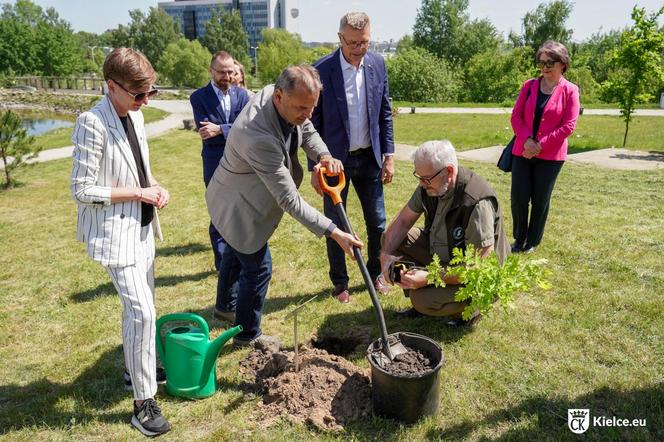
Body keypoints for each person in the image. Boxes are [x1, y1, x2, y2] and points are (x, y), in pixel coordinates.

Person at [205, 65, 363, 347]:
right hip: (237, 202)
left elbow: (307, 129)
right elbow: (289, 200)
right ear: (279, 96)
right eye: (302, 108)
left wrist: (324, 156)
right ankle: (247, 335)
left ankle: (225, 307)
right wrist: (334, 232)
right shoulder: (257, 136)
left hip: (237, 192)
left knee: (235, 250)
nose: (308, 115)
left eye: (311, 107)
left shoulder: (285, 99)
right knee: (258, 266)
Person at [70, 47, 171, 436]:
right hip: (115, 235)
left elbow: (140, 171)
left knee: (139, 312)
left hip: (143, 230)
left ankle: (135, 370)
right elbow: (81, 189)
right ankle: (143, 405)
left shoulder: (137, 115)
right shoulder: (91, 123)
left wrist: (155, 187)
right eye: (138, 94)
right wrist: (137, 193)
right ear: (111, 86)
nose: (145, 101)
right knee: (144, 315)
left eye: (151, 93)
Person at [310, 11, 395, 303]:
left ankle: (376, 274)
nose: (360, 49)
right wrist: (315, 165)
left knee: (378, 222)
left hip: (370, 159)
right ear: (340, 38)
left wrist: (389, 155)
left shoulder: (378, 64)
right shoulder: (321, 70)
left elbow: (385, 112)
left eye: (365, 42)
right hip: (334, 163)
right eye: (353, 43)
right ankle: (341, 282)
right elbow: (312, 125)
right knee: (335, 225)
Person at [379, 140, 510, 323]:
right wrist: (385, 255)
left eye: (426, 179)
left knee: (422, 300)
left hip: (478, 276)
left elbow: (478, 269)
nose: (422, 184)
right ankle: (428, 294)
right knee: (392, 239)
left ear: (449, 171)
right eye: (419, 177)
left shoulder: (476, 202)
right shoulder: (431, 185)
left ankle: (471, 309)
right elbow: (403, 222)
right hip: (445, 253)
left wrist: (428, 278)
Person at [190, 51, 250, 322]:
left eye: (229, 72)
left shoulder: (243, 96)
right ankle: (222, 263)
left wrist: (222, 130)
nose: (226, 77)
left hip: (240, 162)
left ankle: (231, 265)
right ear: (211, 71)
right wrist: (229, 129)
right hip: (214, 163)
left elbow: (246, 127)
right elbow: (205, 131)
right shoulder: (198, 97)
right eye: (221, 72)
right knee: (218, 215)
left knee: (238, 213)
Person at [510, 40, 580, 254]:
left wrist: (540, 145)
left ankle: (532, 242)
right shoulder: (529, 85)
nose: (545, 67)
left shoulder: (571, 90)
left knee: (540, 200)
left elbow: (569, 125)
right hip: (522, 151)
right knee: (519, 198)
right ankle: (519, 238)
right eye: (541, 63)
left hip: (551, 157)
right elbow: (516, 117)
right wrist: (527, 141)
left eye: (550, 62)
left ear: (563, 64)